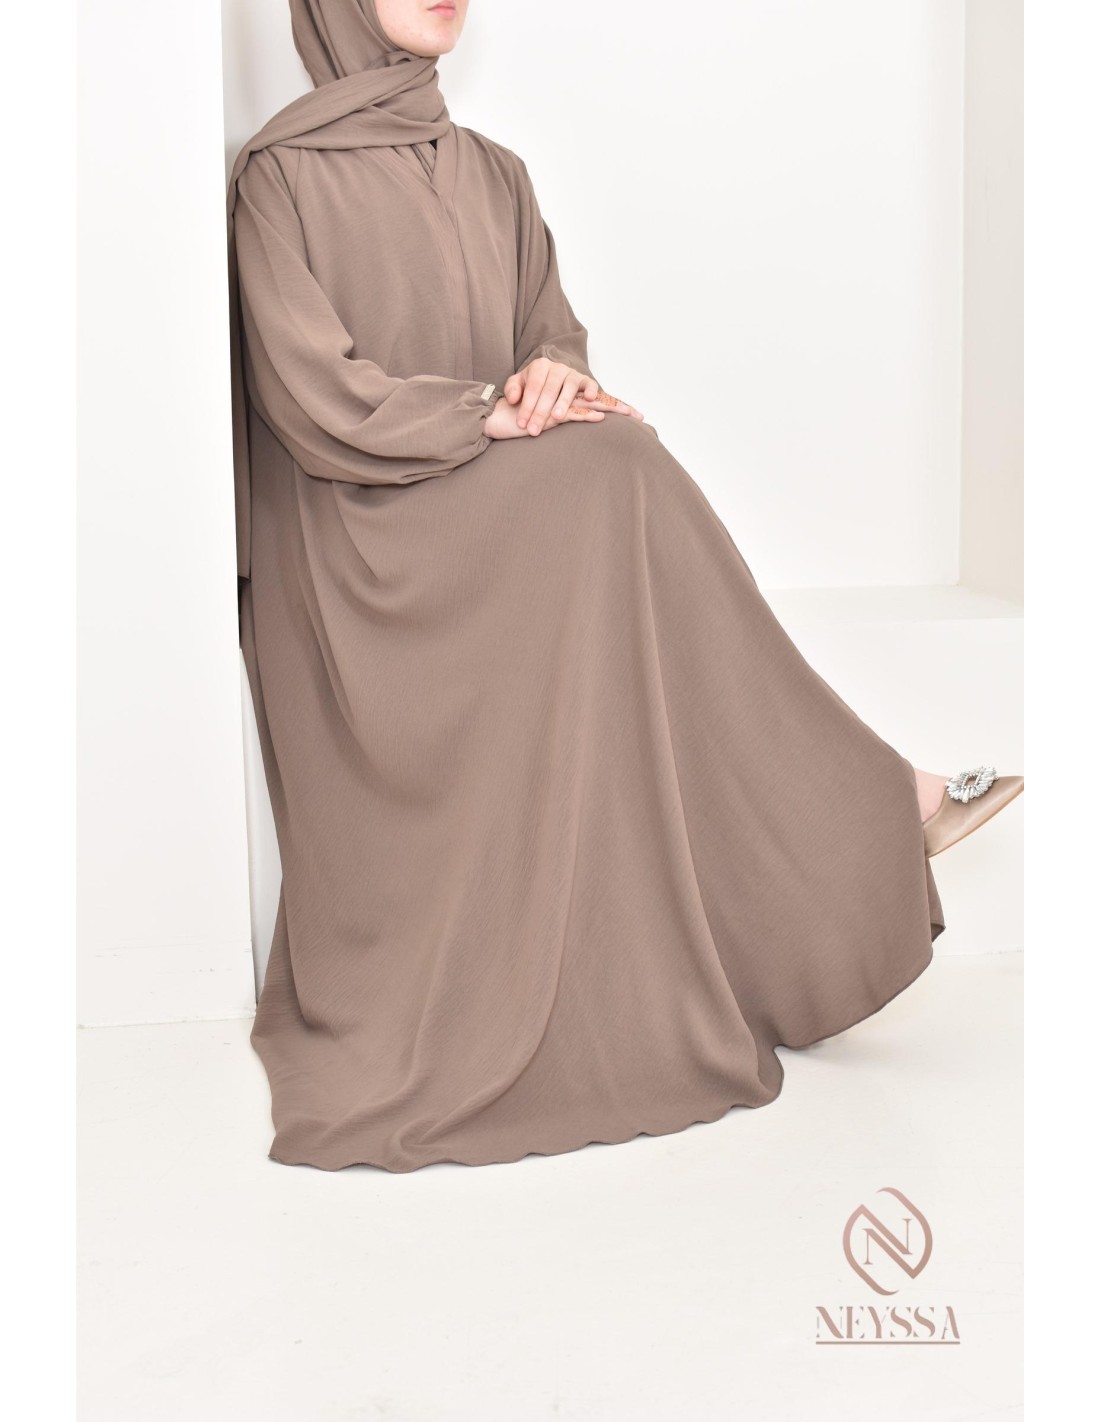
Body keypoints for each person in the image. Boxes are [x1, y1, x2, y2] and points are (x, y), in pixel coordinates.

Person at [226, 0, 1024, 1173]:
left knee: (613, 461)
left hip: (487, 499)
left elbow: (550, 335)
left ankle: (862, 821)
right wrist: (484, 410)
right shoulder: (278, 176)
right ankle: (878, 796)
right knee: (618, 469)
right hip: (361, 532)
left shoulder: (495, 174)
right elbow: (312, 396)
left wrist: (550, 379)